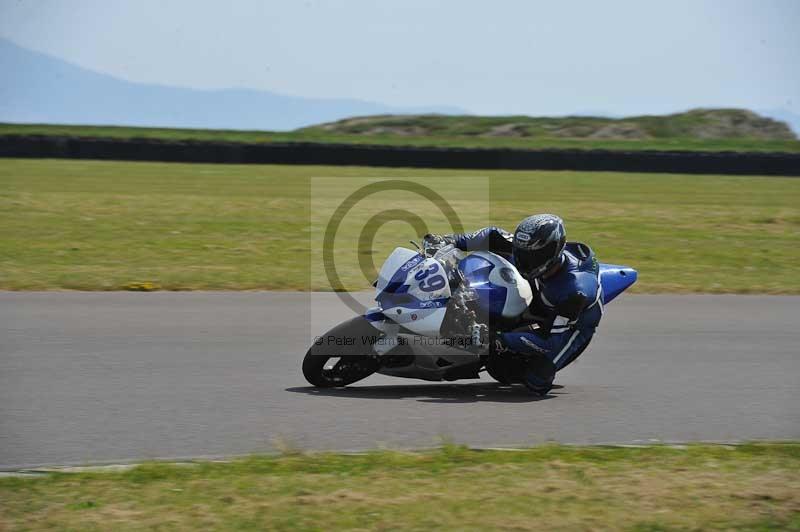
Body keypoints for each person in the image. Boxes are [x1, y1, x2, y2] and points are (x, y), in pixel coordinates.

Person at [425, 214, 602, 395]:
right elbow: (493, 234)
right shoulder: (529, 249)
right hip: (542, 288)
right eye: (520, 251)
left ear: (552, 251)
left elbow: (550, 341)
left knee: (537, 381)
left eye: (533, 255)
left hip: (574, 324)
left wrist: (497, 339)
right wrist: (449, 241)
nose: (523, 260)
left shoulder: (574, 291)